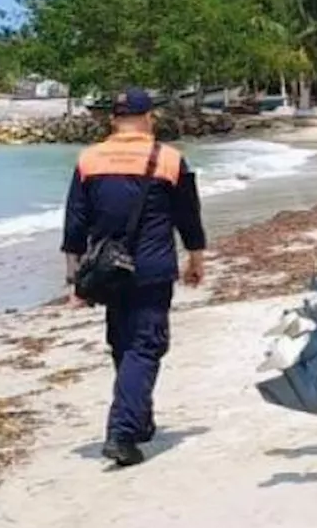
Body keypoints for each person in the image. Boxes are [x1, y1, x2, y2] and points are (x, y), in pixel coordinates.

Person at [60, 87, 207, 468]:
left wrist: (73, 280)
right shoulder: (170, 160)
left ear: (112, 119)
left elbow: (75, 223)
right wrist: (196, 259)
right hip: (152, 268)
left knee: (124, 344)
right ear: (149, 118)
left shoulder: (89, 159)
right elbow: (188, 216)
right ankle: (122, 433)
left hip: (107, 271)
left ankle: (138, 420)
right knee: (145, 346)